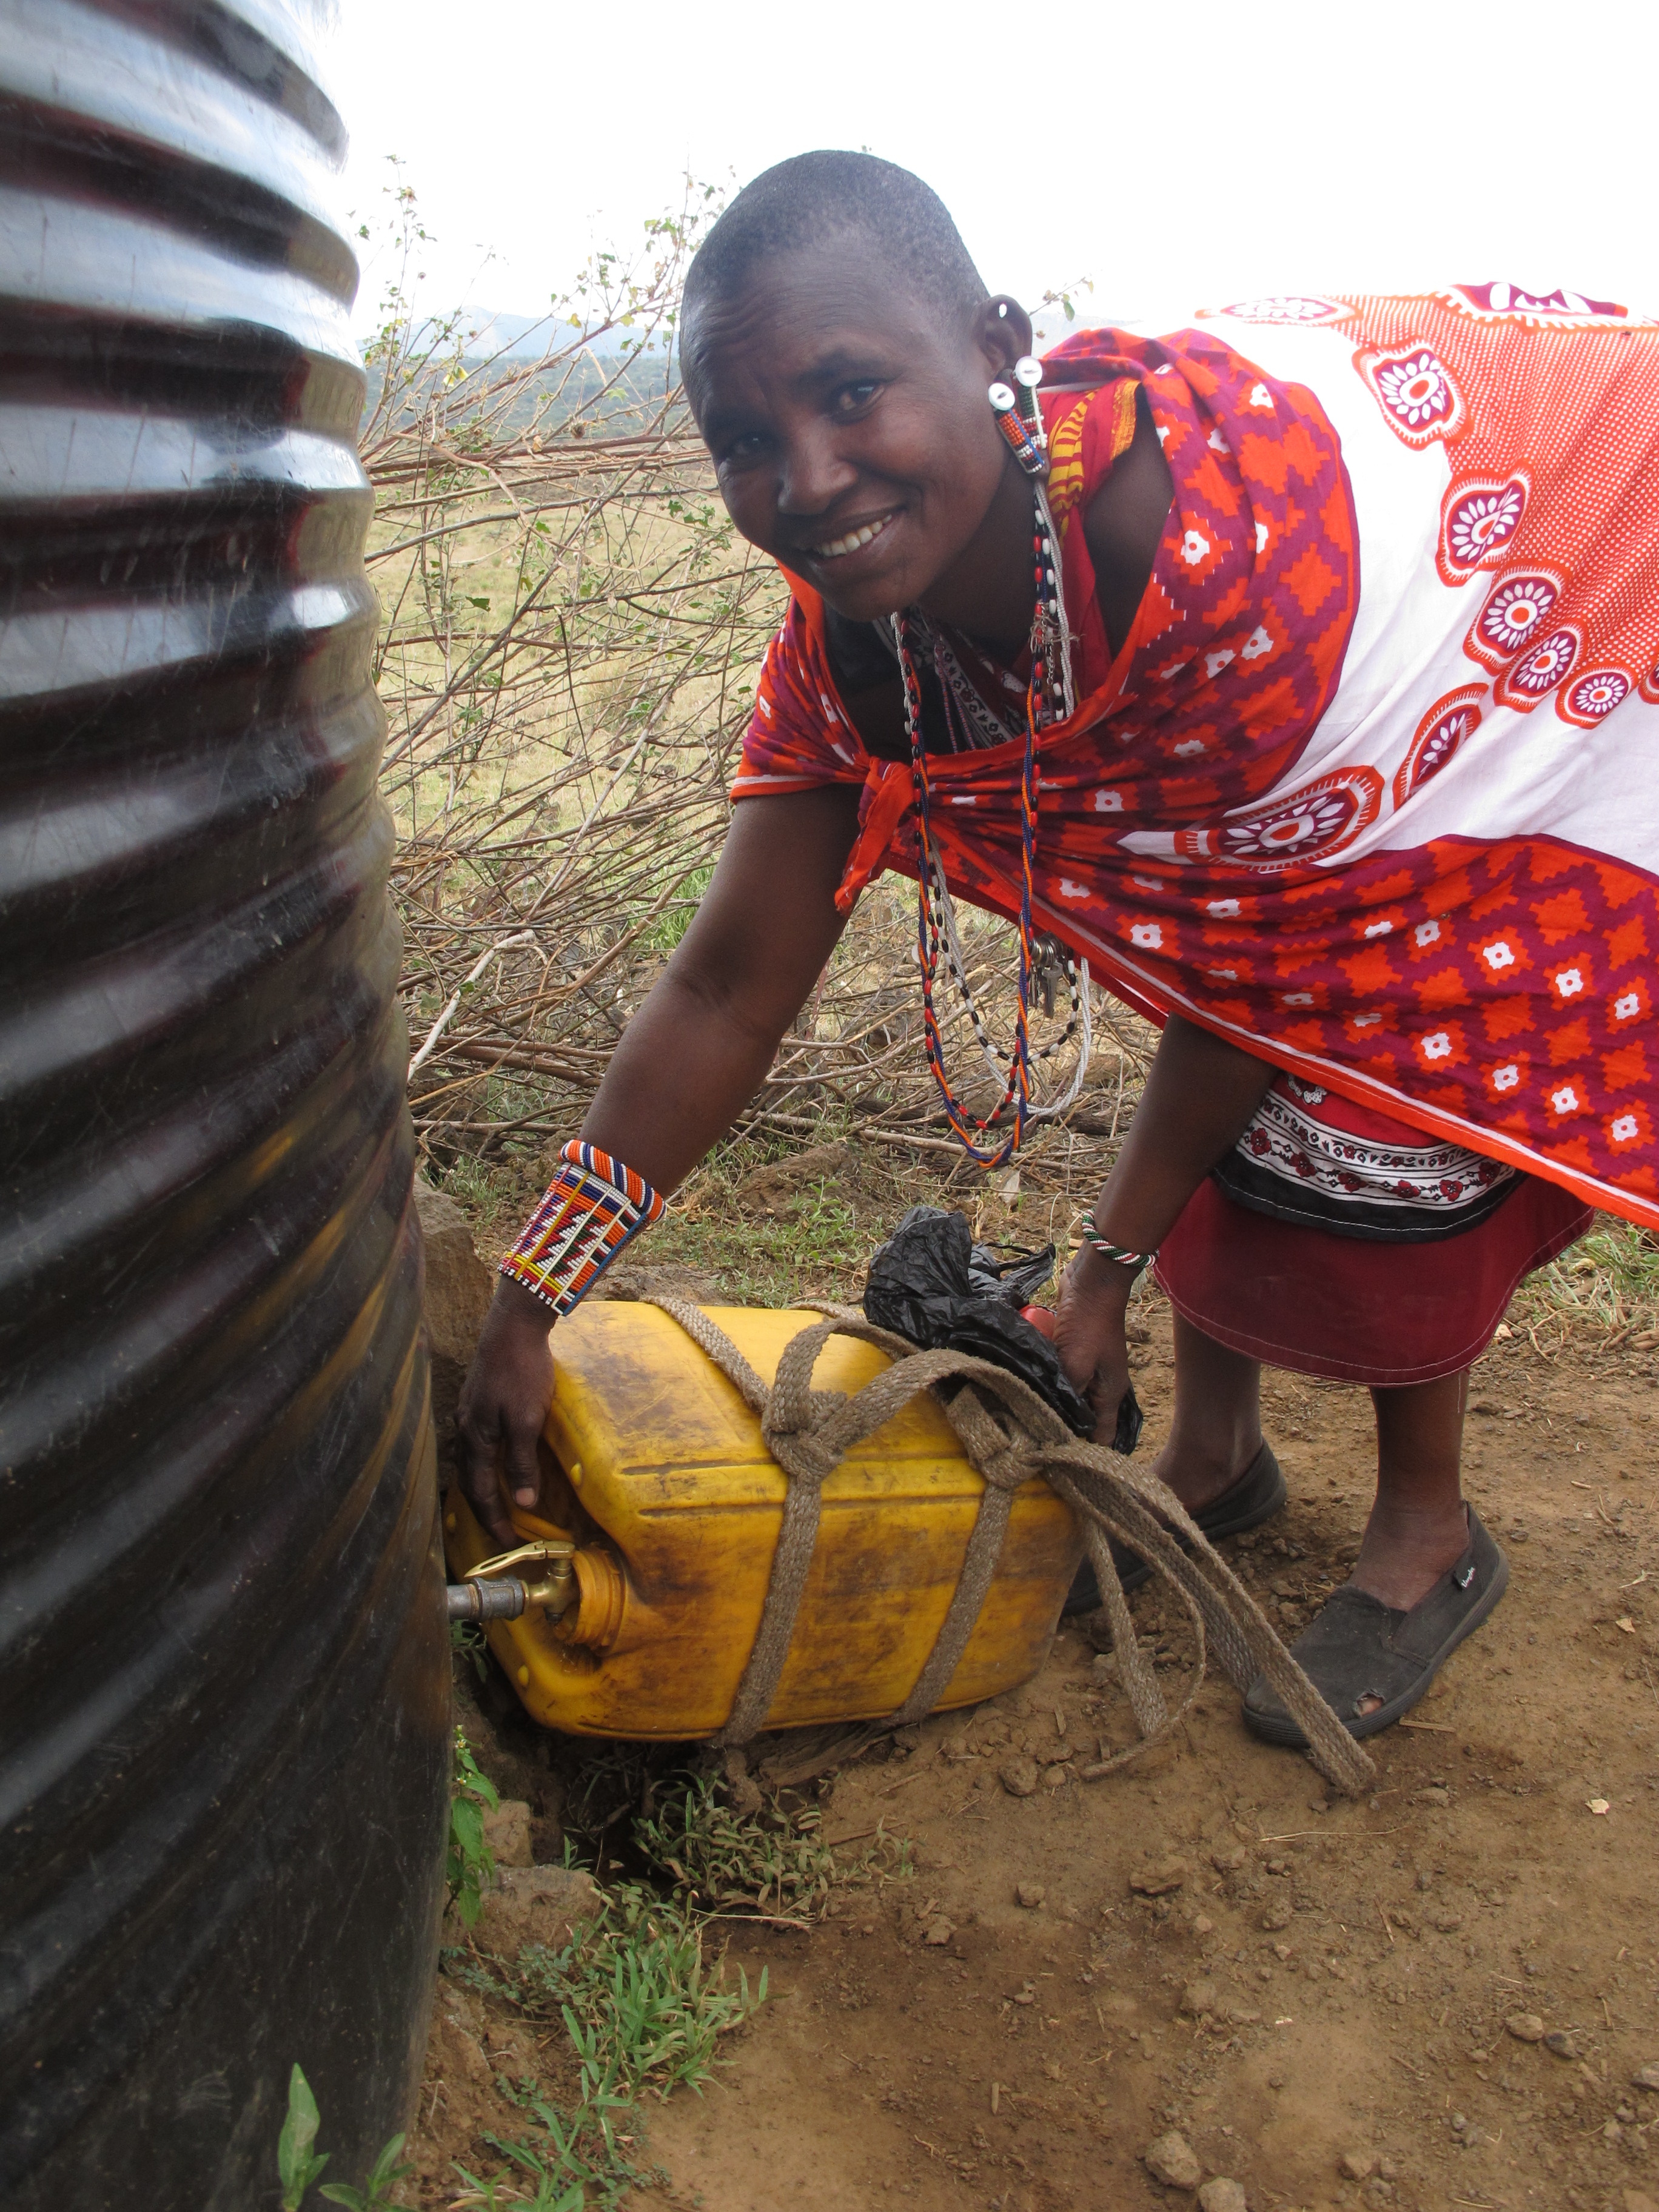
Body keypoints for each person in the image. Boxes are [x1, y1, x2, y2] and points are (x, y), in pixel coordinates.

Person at [457, 150, 1659, 1747]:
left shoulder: (1214, 576)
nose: (806, 481)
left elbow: (1261, 982)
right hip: (1278, 808)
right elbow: (728, 984)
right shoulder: (847, 655)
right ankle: (1214, 1464)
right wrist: (536, 1296)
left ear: (996, 346)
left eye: (851, 394)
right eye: (747, 443)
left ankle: (1427, 1532)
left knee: (1366, 1088)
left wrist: (1096, 1280)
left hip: (1538, 567)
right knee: (1211, 983)